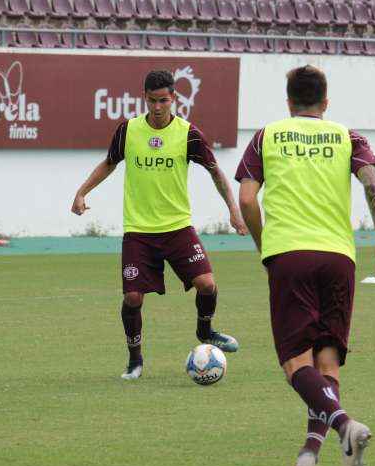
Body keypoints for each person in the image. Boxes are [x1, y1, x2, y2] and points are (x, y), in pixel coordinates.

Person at [235, 65, 375, 466]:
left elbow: (247, 199)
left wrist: (263, 242)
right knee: (327, 360)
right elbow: (373, 183)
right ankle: (309, 455)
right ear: (326, 103)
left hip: (290, 254)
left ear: (288, 103)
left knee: (295, 364)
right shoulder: (347, 136)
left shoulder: (266, 136)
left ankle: (344, 425)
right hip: (339, 258)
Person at [72, 69, 247, 380]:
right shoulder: (128, 131)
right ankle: (135, 361)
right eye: (152, 101)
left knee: (207, 284)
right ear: (144, 98)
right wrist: (83, 191)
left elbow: (215, 171)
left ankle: (205, 331)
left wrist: (234, 211)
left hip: (178, 227)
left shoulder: (188, 133)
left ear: (173, 99)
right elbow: (110, 162)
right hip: (139, 230)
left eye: (163, 101)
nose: (157, 107)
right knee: (132, 297)